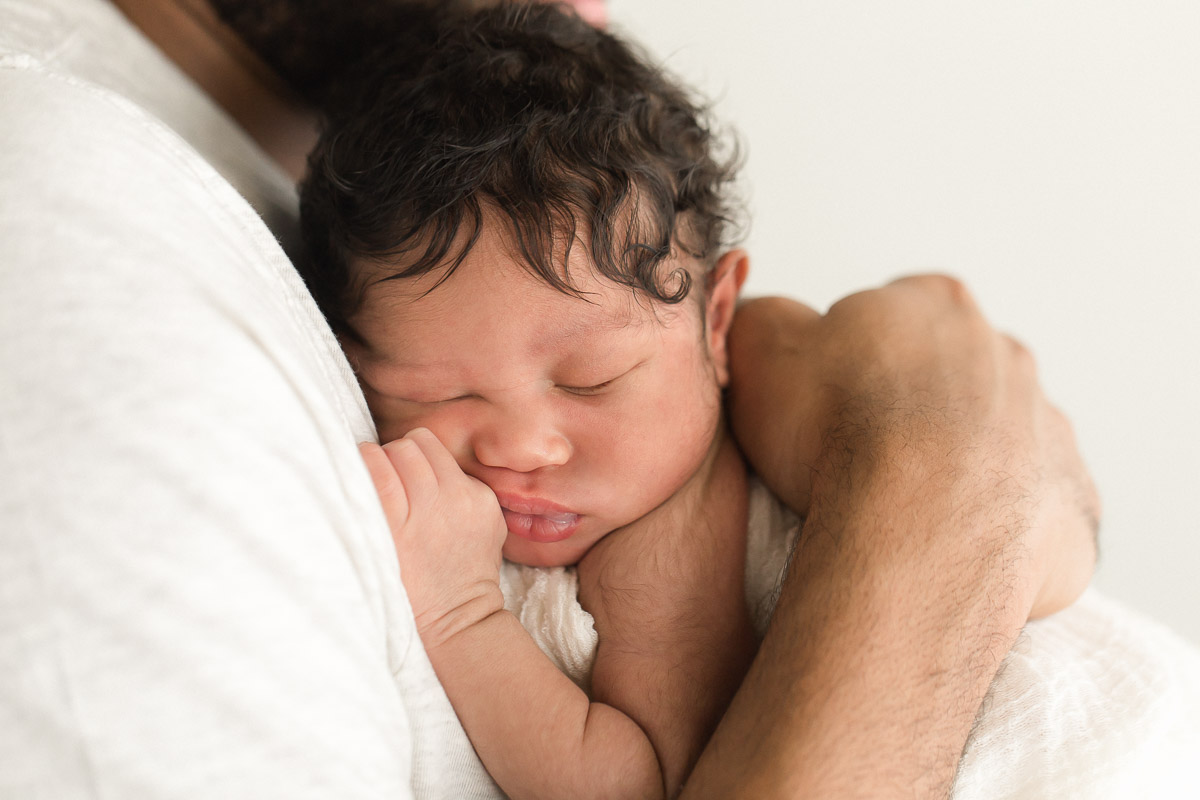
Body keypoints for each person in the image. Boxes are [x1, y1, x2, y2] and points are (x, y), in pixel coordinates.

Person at [4, 0, 1196, 798]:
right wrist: (951, 468)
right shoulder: (83, 218)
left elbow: (634, 778)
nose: (520, 442)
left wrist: (466, 617)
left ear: (717, 320)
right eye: (433, 393)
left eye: (594, 379)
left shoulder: (665, 527)